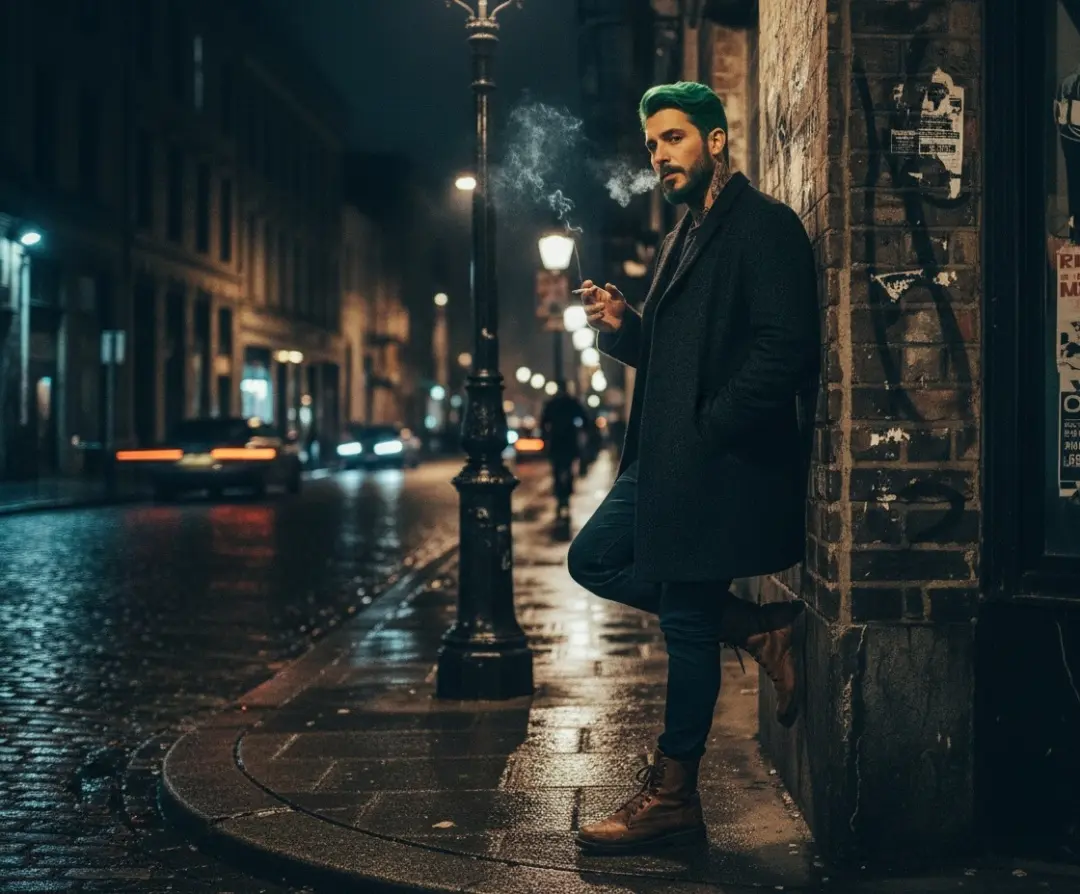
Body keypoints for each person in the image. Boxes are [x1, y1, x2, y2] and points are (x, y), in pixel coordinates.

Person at [567, 81, 820, 853]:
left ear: (716, 140)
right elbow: (679, 355)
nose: (659, 156)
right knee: (593, 558)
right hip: (666, 461)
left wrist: (711, 425)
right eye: (651, 144)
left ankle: (673, 796)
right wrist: (625, 327)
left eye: (673, 138)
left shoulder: (764, 226)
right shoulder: (685, 233)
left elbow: (785, 349)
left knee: (683, 623)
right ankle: (756, 630)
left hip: (714, 462)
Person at [540, 380, 587, 519]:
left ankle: (560, 496)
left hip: (556, 442)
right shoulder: (572, 403)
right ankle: (565, 495)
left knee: (557, 469)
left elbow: (543, 423)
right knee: (568, 468)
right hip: (569, 441)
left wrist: (545, 438)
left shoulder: (552, 403)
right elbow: (584, 420)